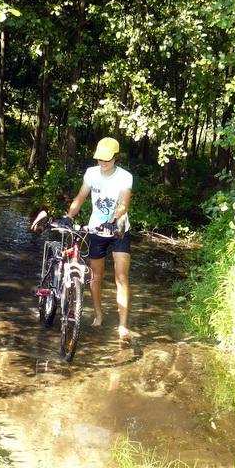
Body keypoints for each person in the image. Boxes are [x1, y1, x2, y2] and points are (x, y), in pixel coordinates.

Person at [58, 137, 133, 342]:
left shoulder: (125, 177)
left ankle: (122, 326)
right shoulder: (91, 173)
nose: (102, 163)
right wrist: (69, 216)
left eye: (107, 159)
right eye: (100, 159)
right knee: (96, 276)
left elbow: (124, 203)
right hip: (95, 230)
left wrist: (114, 219)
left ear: (116, 158)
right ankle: (99, 315)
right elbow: (80, 198)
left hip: (118, 230)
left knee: (121, 276)